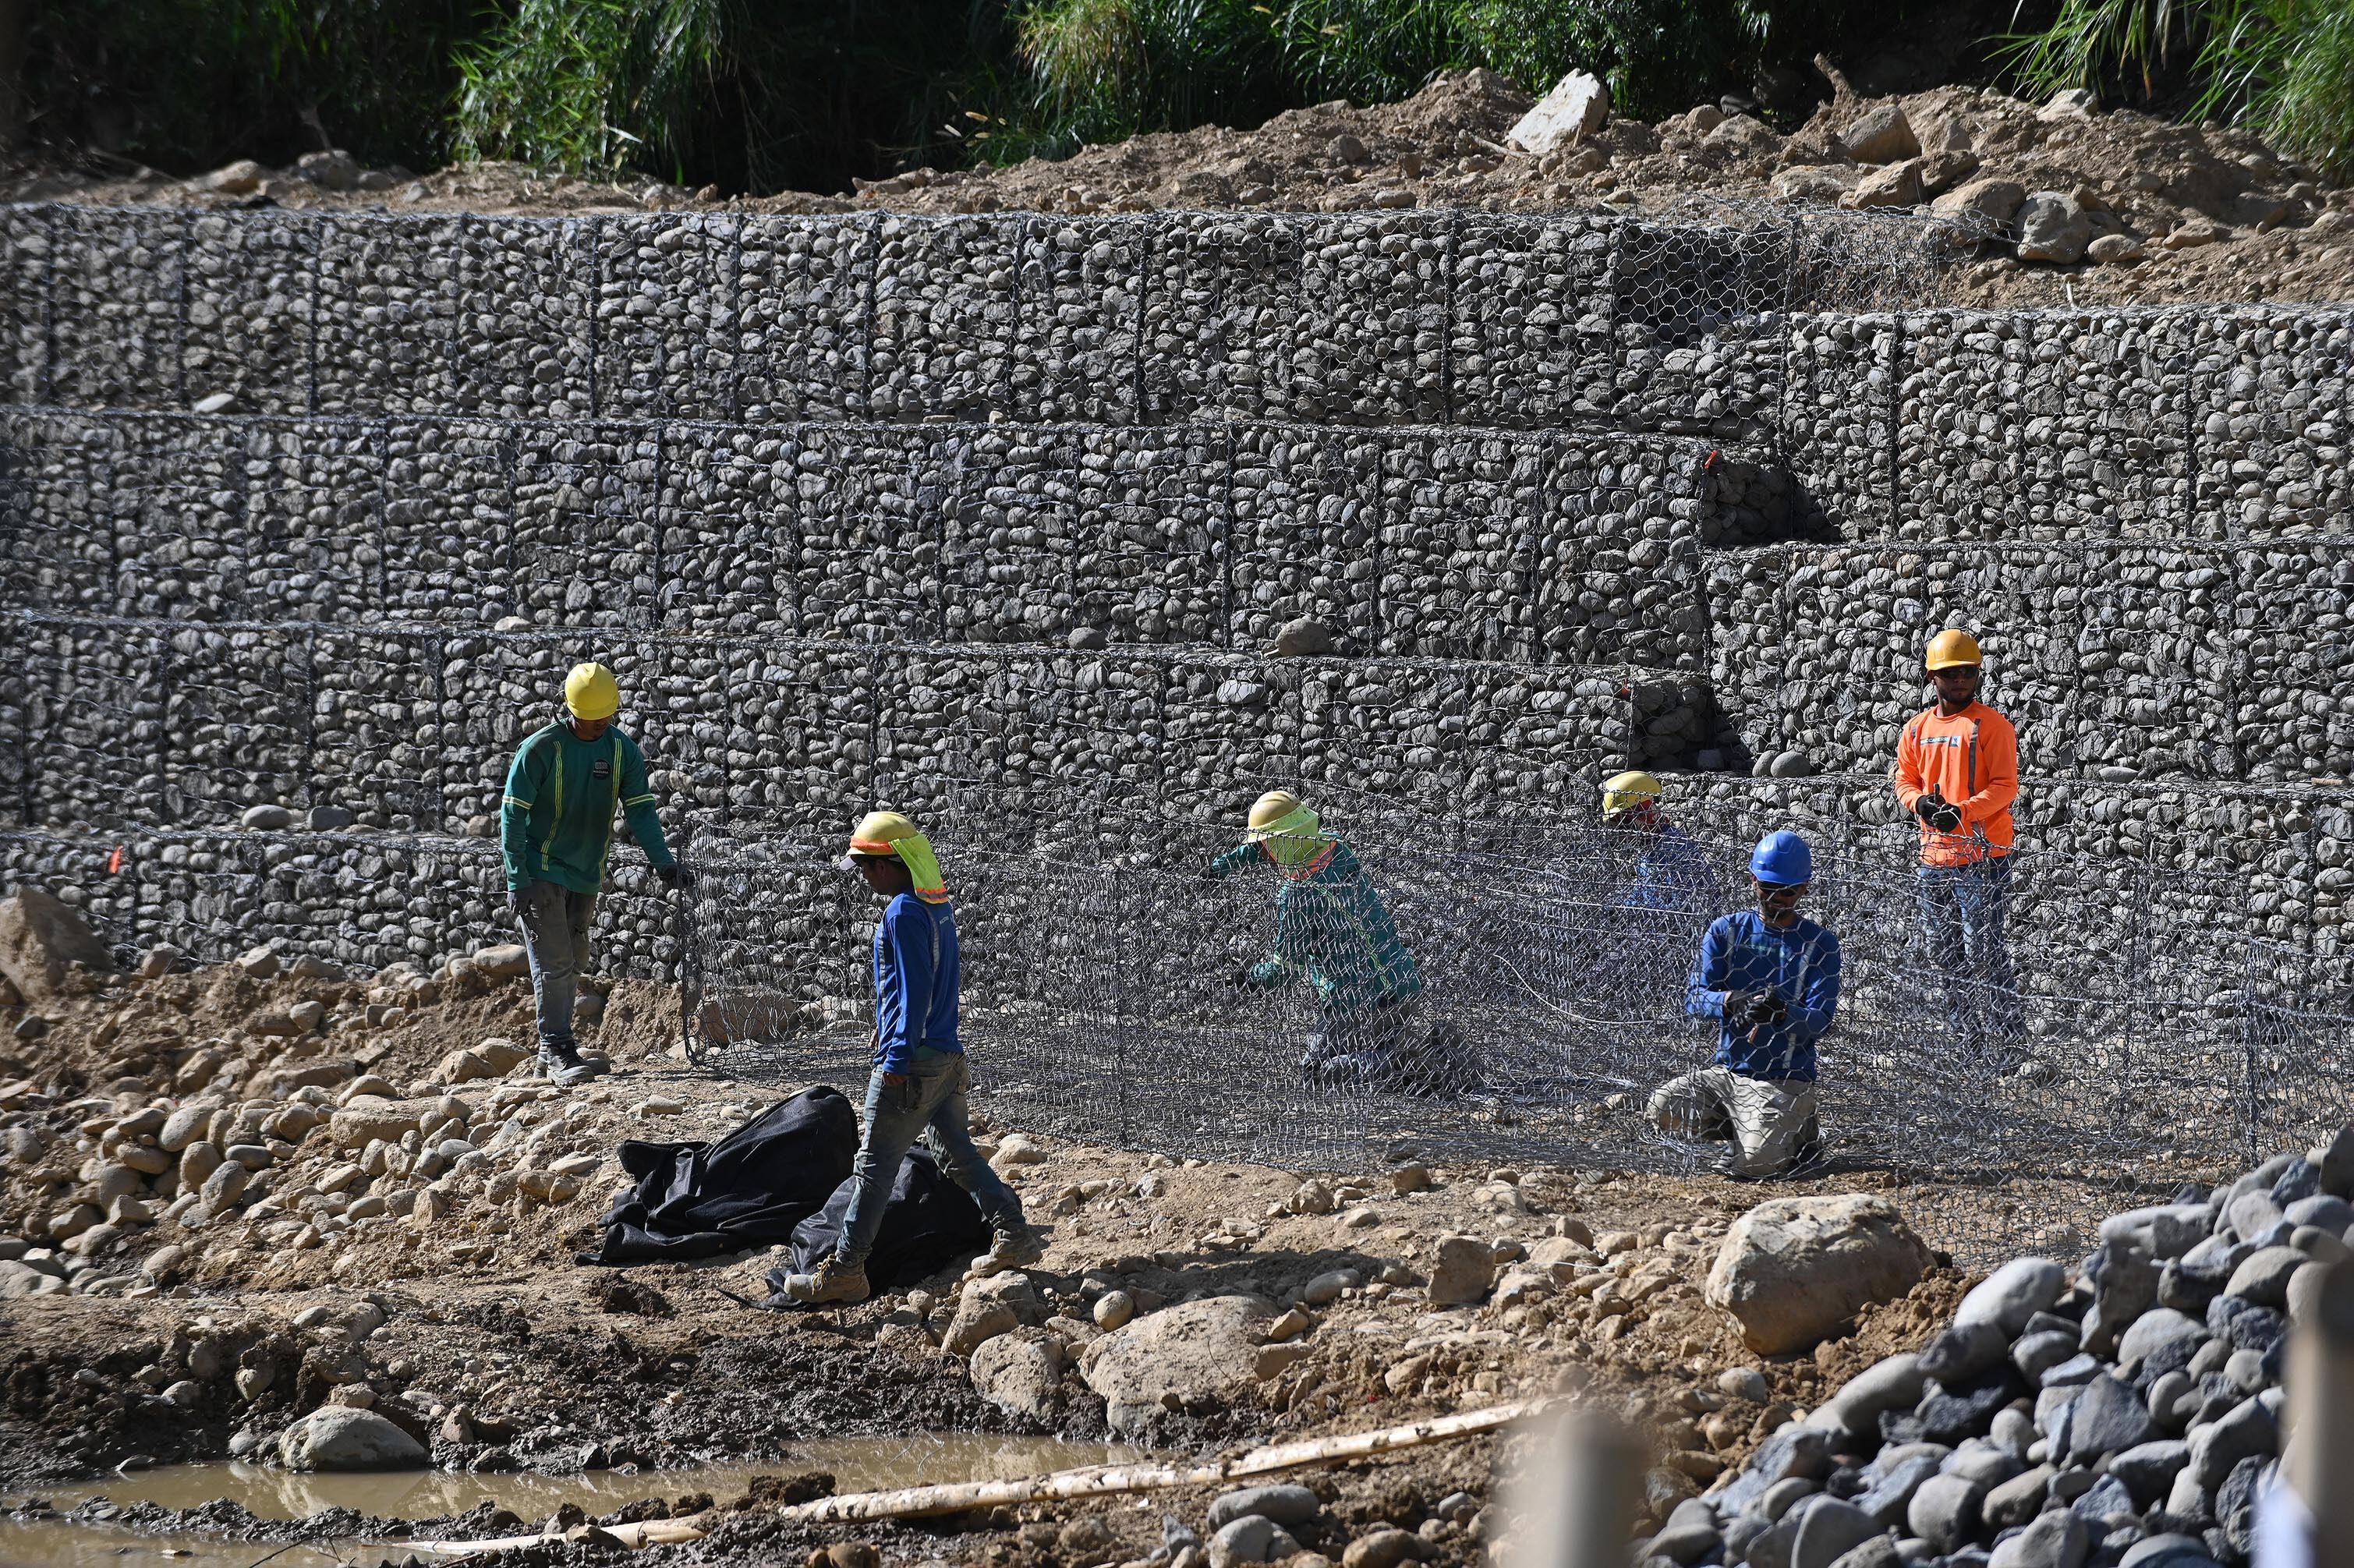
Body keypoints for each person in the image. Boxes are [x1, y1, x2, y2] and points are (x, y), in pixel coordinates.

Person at [776, 810, 1042, 1305]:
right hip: (946, 1058)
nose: (863, 876)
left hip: (912, 1063)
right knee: (958, 1152)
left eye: (864, 866)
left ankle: (846, 1272)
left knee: (873, 1171)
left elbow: (912, 992)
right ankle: (1013, 1232)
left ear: (885, 865)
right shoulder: (935, 906)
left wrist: (895, 1057)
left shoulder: (901, 912)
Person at [500, 661, 692, 1088]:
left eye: (605, 717)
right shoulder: (540, 750)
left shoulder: (621, 751)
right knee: (554, 963)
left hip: (586, 872)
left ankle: (548, 1055)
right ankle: (557, 1048)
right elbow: (512, 816)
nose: (598, 725)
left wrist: (663, 862)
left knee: (573, 963)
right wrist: (518, 877)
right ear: (570, 711)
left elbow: (640, 810)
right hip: (541, 869)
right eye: (590, 719)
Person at [1205, 790, 1469, 1094]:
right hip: (1404, 982)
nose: (1263, 851)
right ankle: (1423, 1048)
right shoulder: (1335, 848)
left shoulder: (1297, 896)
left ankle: (1402, 1058)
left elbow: (1286, 968)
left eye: (1265, 843)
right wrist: (1222, 866)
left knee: (1314, 1072)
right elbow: (1273, 846)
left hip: (1356, 1003)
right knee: (1372, 1047)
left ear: (1280, 843)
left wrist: (1248, 980)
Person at [1648, 830, 1840, 1178]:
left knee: (1755, 1168)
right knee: (1662, 1107)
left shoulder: (1819, 944)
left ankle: (1800, 1132)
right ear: (1753, 880)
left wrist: (1782, 1013)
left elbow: (1821, 1020)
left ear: (1804, 889)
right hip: (1728, 1074)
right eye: (1769, 888)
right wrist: (1730, 1000)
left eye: (1788, 891)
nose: (1778, 899)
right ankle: (1752, 1130)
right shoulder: (1727, 931)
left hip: (1783, 1079)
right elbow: (1693, 998)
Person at [1892, 628, 2024, 1065]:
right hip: (1935, 858)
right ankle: (1967, 1047)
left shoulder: (1993, 726)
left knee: (1984, 953)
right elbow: (1905, 783)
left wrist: (1962, 812)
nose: (1960, 681)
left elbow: (2006, 786)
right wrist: (1922, 804)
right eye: (1951, 674)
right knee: (1945, 955)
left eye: (1967, 673)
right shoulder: (1916, 730)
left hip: (1983, 858)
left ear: (1978, 674)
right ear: (1933, 677)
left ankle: (2007, 1046)